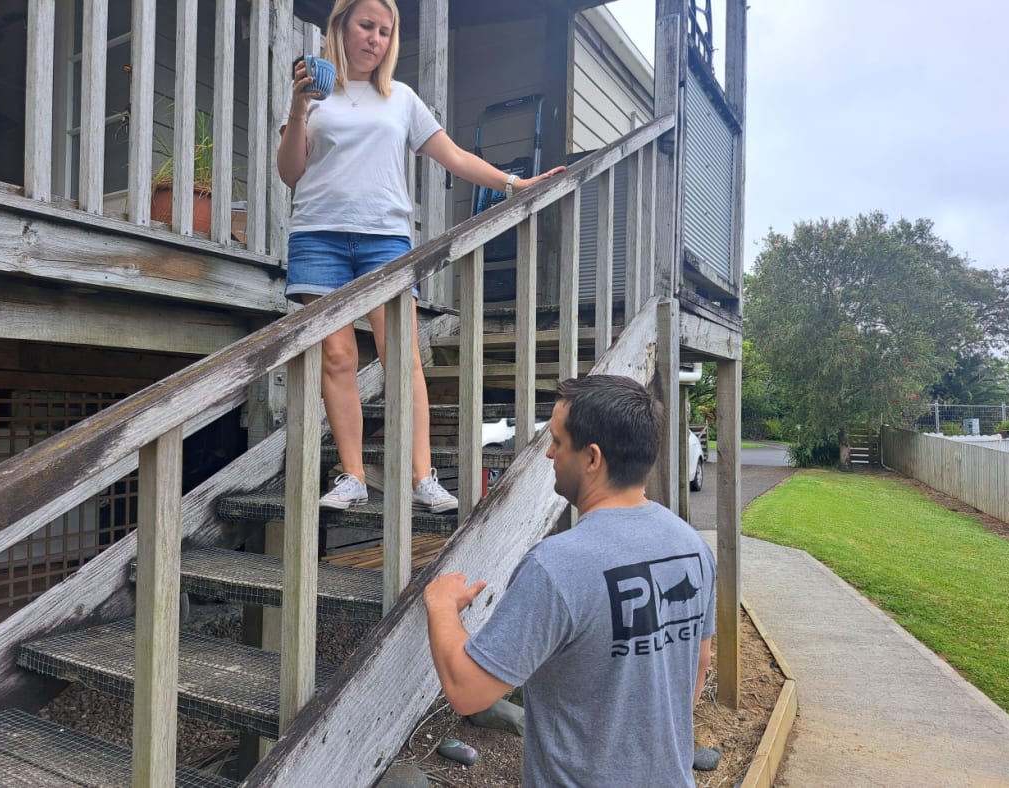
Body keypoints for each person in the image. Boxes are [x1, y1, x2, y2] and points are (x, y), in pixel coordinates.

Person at [277, 0, 564, 513]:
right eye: (366, 26)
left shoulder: (401, 99)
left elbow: (453, 155)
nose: (375, 39)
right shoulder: (313, 98)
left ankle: (422, 476)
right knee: (337, 359)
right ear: (340, 26)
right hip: (317, 237)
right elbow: (290, 172)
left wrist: (514, 182)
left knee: (402, 359)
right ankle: (352, 477)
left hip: (384, 241)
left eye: (385, 32)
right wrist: (299, 108)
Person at [425, 375, 716, 786]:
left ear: (592, 458)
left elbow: (468, 691)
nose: (548, 454)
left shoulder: (557, 565)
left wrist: (440, 603)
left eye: (558, 442)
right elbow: (698, 666)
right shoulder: (692, 547)